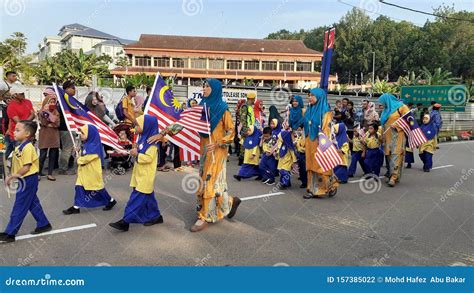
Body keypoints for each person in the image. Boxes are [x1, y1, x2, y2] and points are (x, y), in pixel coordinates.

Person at [148, 79, 241, 233]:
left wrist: (219, 143)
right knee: (213, 183)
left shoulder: (223, 109)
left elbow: (231, 131)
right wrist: (164, 133)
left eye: (207, 87)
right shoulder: (201, 107)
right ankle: (230, 203)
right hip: (204, 150)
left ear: (215, 89)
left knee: (208, 182)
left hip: (217, 151)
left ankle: (204, 217)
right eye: (203, 86)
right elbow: (184, 122)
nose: (204, 89)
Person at [0, 120, 52, 243]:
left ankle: (10, 232)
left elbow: (26, 167)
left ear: (27, 133)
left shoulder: (28, 148)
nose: (14, 132)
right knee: (32, 203)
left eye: (18, 130)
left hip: (28, 179)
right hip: (24, 179)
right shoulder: (19, 147)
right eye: (15, 129)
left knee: (20, 205)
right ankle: (43, 224)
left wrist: (12, 177)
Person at [109, 115, 163, 231]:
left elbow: (149, 159)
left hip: (145, 176)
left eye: (138, 125)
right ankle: (156, 216)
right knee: (148, 197)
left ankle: (125, 221)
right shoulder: (143, 138)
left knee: (135, 199)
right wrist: (136, 150)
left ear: (146, 126)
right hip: (139, 174)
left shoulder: (152, 143)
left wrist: (137, 154)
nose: (135, 126)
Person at [63, 125, 117, 215]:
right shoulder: (86, 144)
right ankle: (76, 206)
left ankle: (111, 200)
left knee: (98, 189)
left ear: (90, 134)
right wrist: (77, 151)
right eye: (81, 133)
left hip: (92, 173)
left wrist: (79, 159)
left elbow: (88, 158)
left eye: (83, 133)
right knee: (79, 187)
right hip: (84, 172)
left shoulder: (94, 145)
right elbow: (83, 155)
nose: (81, 135)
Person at [303, 88, 339, 199]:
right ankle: (312, 189)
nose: (310, 98)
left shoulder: (325, 112)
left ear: (319, 97)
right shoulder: (309, 109)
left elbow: (327, 129)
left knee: (321, 165)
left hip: (320, 141)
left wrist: (322, 142)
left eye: (313, 96)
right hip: (310, 141)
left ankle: (327, 186)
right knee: (311, 165)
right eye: (309, 96)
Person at [379, 93, 411, 187]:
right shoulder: (385, 111)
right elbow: (383, 125)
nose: (382, 104)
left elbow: (409, 120)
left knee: (395, 156)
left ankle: (393, 177)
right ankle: (394, 175)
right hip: (387, 137)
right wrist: (381, 137)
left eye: (383, 102)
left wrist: (397, 125)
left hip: (398, 136)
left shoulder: (402, 107)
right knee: (389, 157)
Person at [5, 84, 35, 159]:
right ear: (15, 95)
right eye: (21, 93)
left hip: (28, 134)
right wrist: (28, 122)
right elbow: (19, 122)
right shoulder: (11, 106)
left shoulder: (28, 102)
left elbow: (33, 114)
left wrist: (25, 123)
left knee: (27, 156)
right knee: (19, 157)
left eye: (23, 93)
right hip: (17, 136)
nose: (23, 94)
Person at [38, 88, 60, 181]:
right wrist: (46, 113)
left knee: (53, 155)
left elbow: (57, 123)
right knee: (42, 155)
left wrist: (51, 121)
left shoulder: (56, 112)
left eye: (54, 101)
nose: (52, 103)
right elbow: (43, 123)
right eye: (50, 101)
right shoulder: (42, 111)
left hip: (54, 135)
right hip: (44, 135)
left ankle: (50, 173)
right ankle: (38, 173)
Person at [58, 80, 77, 175]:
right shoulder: (64, 101)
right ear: (66, 89)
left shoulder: (64, 99)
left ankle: (65, 165)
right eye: (73, 88)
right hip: (66, 128)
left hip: (67, 127)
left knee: (67, 148)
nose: (75, 90)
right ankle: (63, 168)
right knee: (67, 148)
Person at [238, 93, 256, 165]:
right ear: (251, 99)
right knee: (244, 144)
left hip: (250, 128)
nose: (254, 100)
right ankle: (241, 160)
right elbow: (243, 119)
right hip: (246, 129)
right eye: (254, 99)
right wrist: (245, 129)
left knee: (247, 144)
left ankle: (245, 159)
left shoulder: (250, 106)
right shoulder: (245, 106)